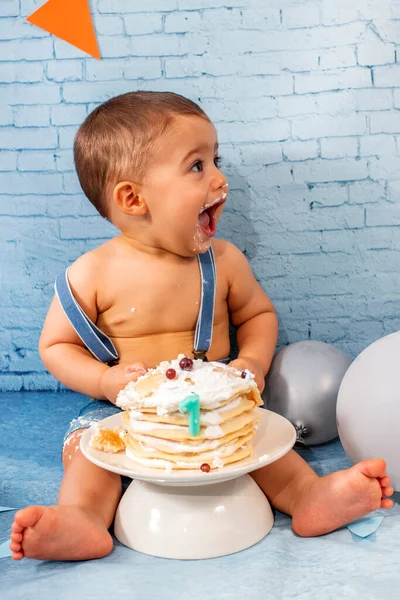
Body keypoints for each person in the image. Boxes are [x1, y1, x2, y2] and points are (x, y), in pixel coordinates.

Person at [10, 91, 394, 561]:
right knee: (90, 456)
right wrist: (105, 380)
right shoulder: (92, 272)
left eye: (216, 159)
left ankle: (307, 497)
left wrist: (251, 360)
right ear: (133, 198)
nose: (219, 177)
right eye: (197, 166)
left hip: (216, 409)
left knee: (262, 443)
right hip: (126, 414)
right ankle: (82, 520)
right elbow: (56, 346)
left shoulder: (224, 262)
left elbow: (258, 315)